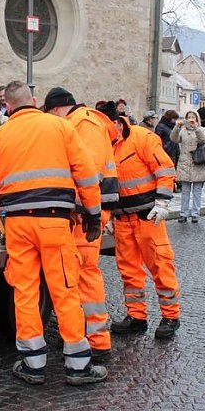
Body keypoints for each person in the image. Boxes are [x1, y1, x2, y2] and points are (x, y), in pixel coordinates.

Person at [0, 80, 107, 386]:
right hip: (55, 223)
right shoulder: (60, 127)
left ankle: (33, 364)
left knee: (25, 292)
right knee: (64, 290)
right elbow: (85, 174)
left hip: (17, 226)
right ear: (33, 100)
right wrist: (94, 213)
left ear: (7, 105)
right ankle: (78, 366)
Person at [42, 87, 119, 361]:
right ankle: (87, 338)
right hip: (88, 211)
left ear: (57, 109)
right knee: (79, 274)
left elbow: (88, 171)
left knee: (83, 274)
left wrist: (77, 209)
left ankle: (96, 342)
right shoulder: (83, 122)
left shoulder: (83, 123)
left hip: (86, 214)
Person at [95, 101, 181, 340]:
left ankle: (170, 316)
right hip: (122, 220)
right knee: (129, 272)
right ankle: (136, 316)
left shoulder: (142, 138)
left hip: (148, 218)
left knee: (160, 266)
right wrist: (108, 214)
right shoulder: (103, 146)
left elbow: (164, 169)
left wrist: (162, 202)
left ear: (115, 122)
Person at [170, 110, 205, 223]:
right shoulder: (183, 130)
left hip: (198, 163)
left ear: (197, 119)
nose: (191, 119)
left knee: (197, 191)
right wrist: (176, 128)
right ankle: (183, 214)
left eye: (193, 117)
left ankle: (195, 214)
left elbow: (203, 140)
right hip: (185, 163)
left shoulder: (203, 130)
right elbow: (173, 139)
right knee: (185, 191)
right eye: (189, 117)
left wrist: (196, 128)